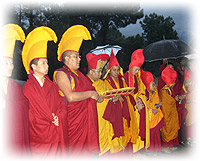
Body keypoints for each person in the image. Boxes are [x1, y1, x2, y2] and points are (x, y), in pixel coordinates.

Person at [53, 25, 99, 156]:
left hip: (85, 121)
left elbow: (93, 91)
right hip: (72, 122)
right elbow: (70, 97)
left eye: (79, 56)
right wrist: (90, 94)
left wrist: (100, 96)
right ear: (67, 58)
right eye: (76, 56)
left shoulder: (80, 75)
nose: (80, 59)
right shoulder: (61, 74)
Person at [22, 26, 67, 157]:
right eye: (43, 63)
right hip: (39, 135)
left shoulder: (51, 85)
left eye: (47, 63)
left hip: (55, 131)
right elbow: (32, 115)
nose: (47, 66)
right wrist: (51, 119)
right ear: (33, 66)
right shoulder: (28, 87)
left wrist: (59, 117)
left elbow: (61, 104)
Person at [0, 24, 30, 155]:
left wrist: (8, 105)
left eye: (11, 63)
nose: (10, 66)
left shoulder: (17, 86)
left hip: (16, 136)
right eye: (6, 63)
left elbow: (25, 105)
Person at [103, 50, 138, 154]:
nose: (116, 72)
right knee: (116, 131)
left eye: (118, 70)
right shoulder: (106, 81)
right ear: (109, 70)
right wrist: (116, 98)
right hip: (115, 111)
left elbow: (127, 91)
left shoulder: (122, 80)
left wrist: (125, 97)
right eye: (114, 70)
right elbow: (107, 95)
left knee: (127, 129)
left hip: (125, 109)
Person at [86, 52, 116, 156]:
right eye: (98, 72)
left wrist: (113, 98)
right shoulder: (85, 83)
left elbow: (109, 95)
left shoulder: (102, 83)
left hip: (105, 117)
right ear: (90, 72)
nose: (100, 74)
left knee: (105, 137)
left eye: (100, 71)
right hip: (94, 118)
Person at [124, 49, 150, 153]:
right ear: (131, 66)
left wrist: (140, 98)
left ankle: (138, 149)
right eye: (135, 69)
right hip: (131, 108)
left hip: (138, 106)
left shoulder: (137, 76)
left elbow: (140, 91)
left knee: (139, 128)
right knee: (133, 128)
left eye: (138, 69)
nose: (137, 71)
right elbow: (126, 93)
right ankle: (133, 152)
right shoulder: (125, 77)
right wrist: (135, 102)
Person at [141, 70, 164, 153]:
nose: (155, 86)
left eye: (154, 84)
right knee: (149, 134)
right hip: (149, 119)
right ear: (147, 85)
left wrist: (158, 106)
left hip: (155, 117)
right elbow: (144, 107)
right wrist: (151, 110)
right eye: (153, 85)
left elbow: (155, 104)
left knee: (156, 134)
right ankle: (149, 149)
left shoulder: (155, 93)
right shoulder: (144, 95)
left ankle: (156, 149)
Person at [159, 66, 180, 153]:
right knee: (167, 128)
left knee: (172, 126)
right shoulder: (163, 91)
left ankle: (170, 145)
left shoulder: (169, 89)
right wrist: (174, 100)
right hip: (166, 113)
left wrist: (176, 98)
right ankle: (165, 146)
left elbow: (172, 99)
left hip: (172, 112)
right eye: (173, 81)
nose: (174, 83)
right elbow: (166, 102)